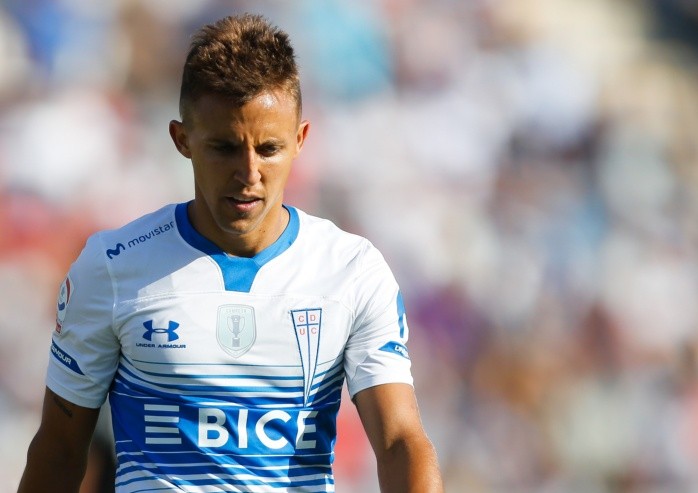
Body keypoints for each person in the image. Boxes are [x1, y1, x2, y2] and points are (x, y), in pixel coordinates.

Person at [17, 13, 443, 493]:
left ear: (300, 140)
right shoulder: (112, 266)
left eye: (269, 148)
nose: (249, 173)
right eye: (224, 148)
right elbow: (59, 450)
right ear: (182, 140)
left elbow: (399, 441)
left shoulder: (352, 271)